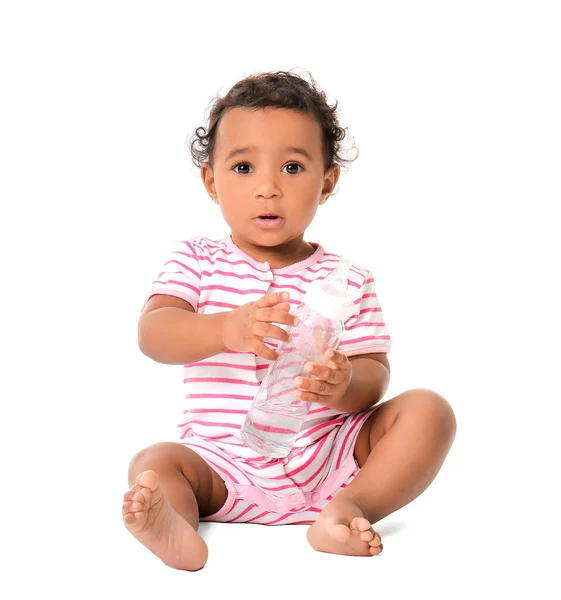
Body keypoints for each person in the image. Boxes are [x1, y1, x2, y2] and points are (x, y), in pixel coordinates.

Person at [122, 70, 457, 571]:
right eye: (243, 168)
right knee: (154, 462)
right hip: (220, 463)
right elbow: (154, 333)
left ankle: (347, 509)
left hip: (331, 458)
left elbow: (375, 375)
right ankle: (174, 523)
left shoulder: (347, 280)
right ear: (211, 181)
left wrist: (343, 383)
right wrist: (224, 329)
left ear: (327, 182)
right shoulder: (197, 260)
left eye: (293, 168)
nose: (268, 188)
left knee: (430, 411)